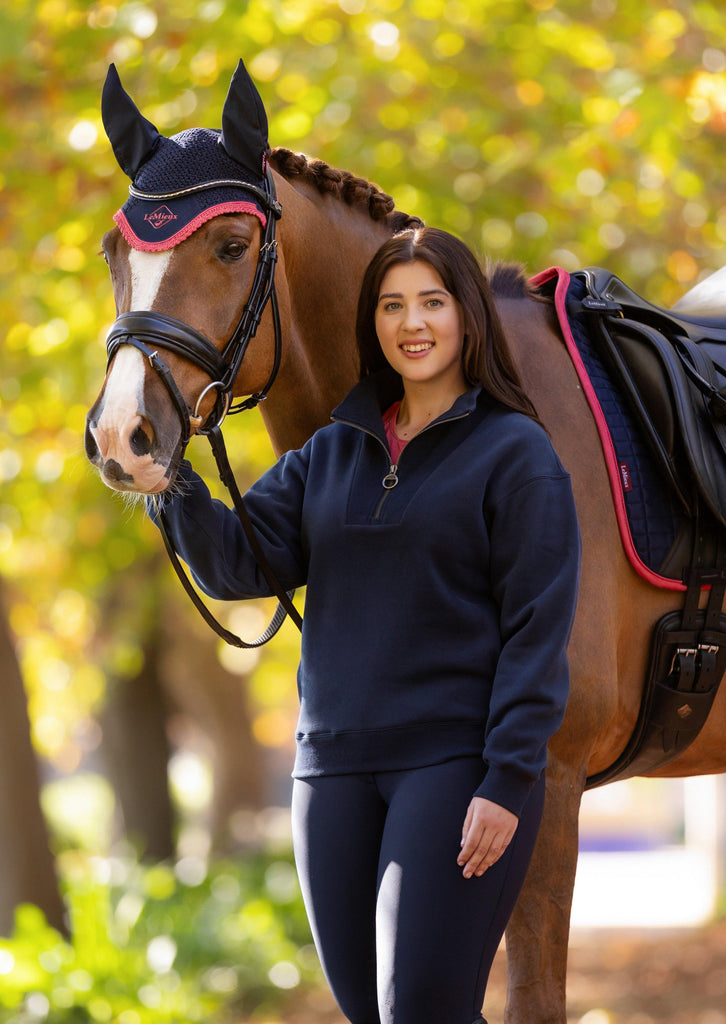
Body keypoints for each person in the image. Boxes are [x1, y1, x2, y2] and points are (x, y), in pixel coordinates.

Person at [149, 226, 582, 1024]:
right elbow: (240, 565)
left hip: (453, 769)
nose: (411, 323)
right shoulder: (333, 450)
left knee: (418, 1008)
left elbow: (537, 629)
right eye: (391, 306)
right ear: (372, 325)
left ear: (467, 319)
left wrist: (508, 779)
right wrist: (167, 482)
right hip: (332, 775)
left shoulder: (516, 453)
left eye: (431, 302)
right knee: (374, 1011)